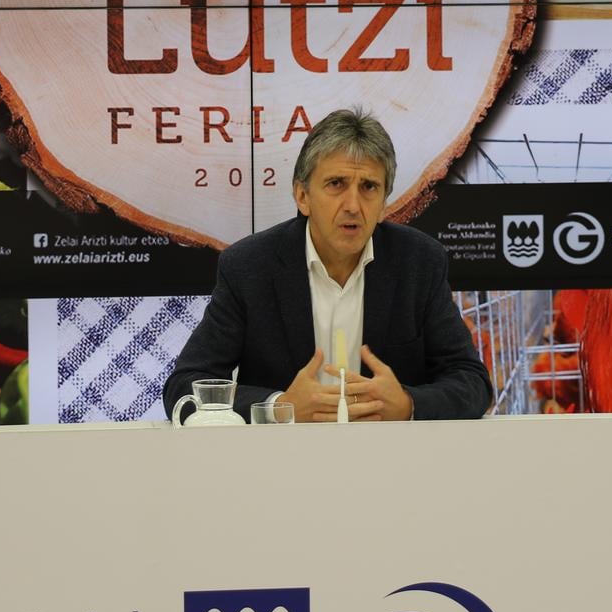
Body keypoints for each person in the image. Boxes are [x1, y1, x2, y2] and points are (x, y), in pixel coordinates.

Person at [164, 108, 492, 423]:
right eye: (336, 184)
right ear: (302, 196)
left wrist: (407, 404)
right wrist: (279, 407)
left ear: (383, 204)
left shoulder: (420, 263)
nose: (353, 206)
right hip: (281, 464)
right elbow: (184, 390)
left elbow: (473, 383)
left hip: (392, 464)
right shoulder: (250, 267)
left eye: (369, 187)